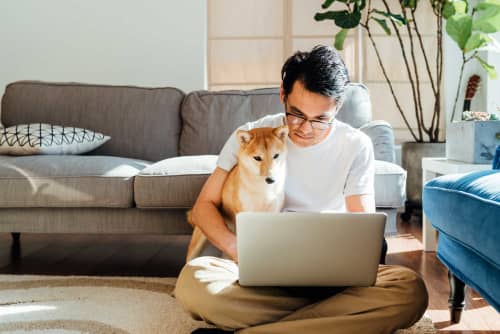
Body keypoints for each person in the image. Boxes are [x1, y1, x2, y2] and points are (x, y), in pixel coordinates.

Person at [174, 45, 428, 334]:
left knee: (410, 291)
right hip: (258, 275)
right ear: (283, 95)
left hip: (332, 278)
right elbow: (203, 206)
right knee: (194, 282)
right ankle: (328, 323)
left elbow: (362, 223)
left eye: (320, 119)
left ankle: (255, 328)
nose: (305, 129)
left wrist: (348, 262)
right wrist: (235, 248)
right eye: (296, 114)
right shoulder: (251, 136)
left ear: (338, 106)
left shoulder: (356, 145)